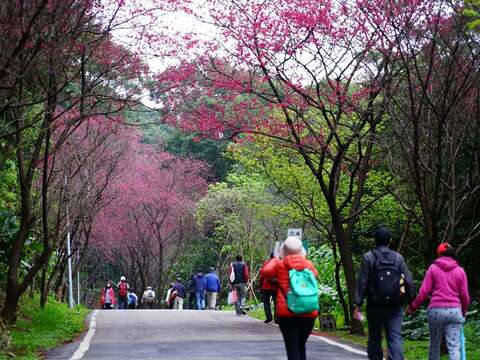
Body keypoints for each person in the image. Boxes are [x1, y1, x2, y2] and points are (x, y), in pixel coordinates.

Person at [354, 227, 416, 360]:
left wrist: (357, 304)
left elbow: (362, 282)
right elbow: (408, 282)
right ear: (390, 241)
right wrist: (412, 303)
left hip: (375, 305)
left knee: (375, 338)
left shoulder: (368, 257)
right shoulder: (398, 258)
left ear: (374, 241)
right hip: (395, 306)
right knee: (395, 337)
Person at [407, 243, 470, 360]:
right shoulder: (460, 271)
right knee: (454, 347)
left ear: (439, 254)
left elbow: (424, 291)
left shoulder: (433, 268)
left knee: (434, 346)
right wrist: (464, 311)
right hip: (455, 311)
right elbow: (465, 296)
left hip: (436, 311)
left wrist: (412, 307)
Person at [262, 236, 318, 360]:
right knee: (301, 346)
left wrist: (276, 258)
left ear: (284, 251)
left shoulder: (280, 265)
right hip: (308, 311)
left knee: (292, 347)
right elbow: (315, 276)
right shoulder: (309, 265)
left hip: (287, 312)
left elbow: (265, 272)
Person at [260, 252, 277, 323]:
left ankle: (269, 317)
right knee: (277, 303)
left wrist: (261, 283)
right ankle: (277, 319)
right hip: (276, 286)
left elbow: (262, 274)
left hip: (266, 286)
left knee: (266, 302)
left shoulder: (267, 263)